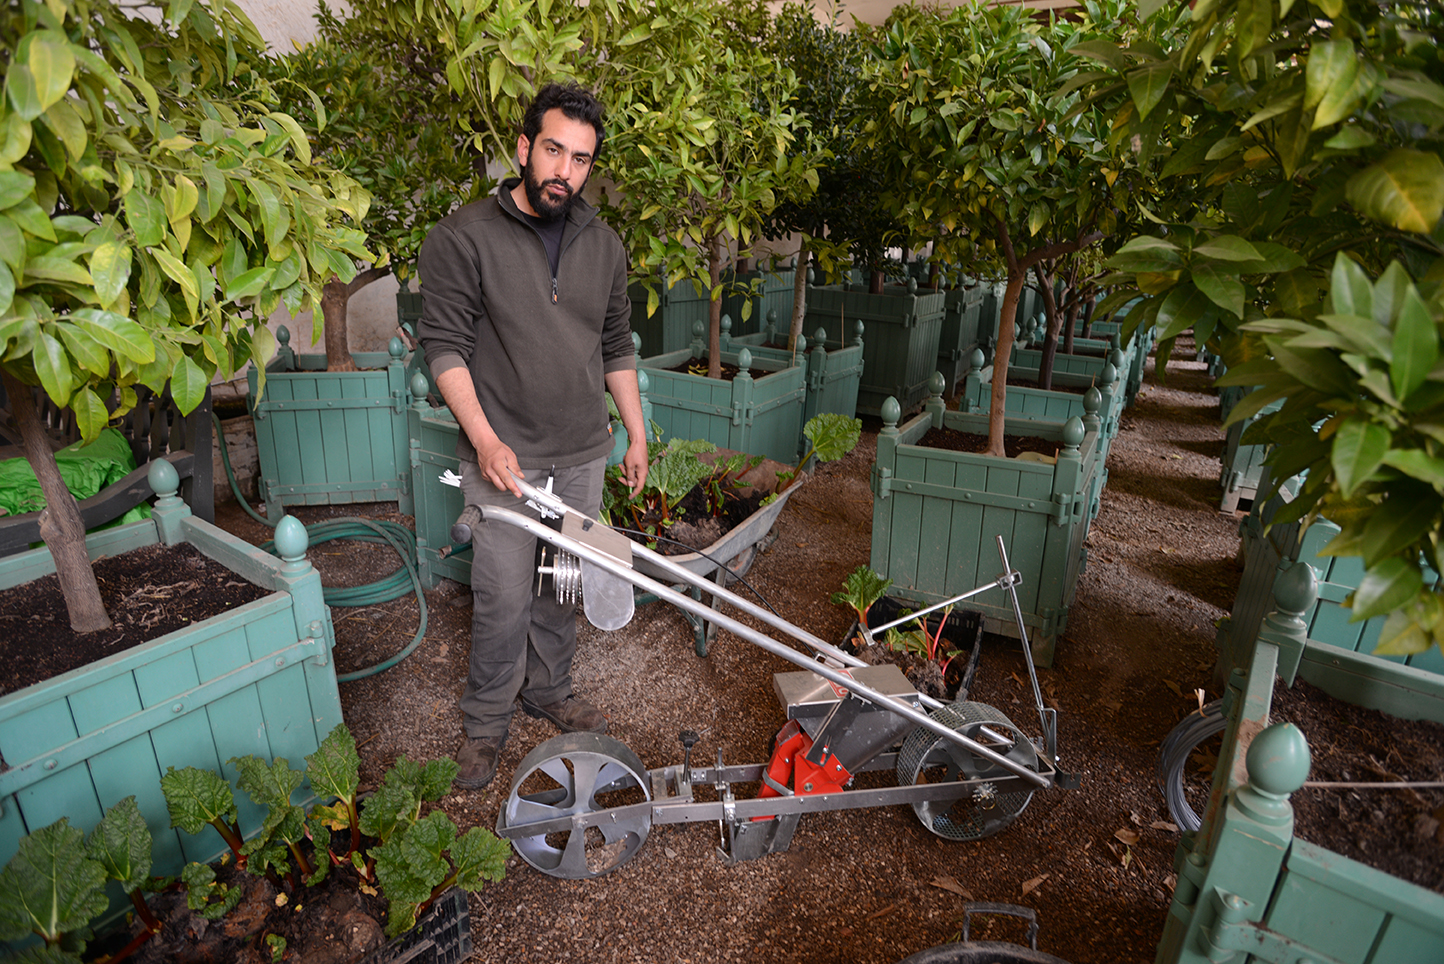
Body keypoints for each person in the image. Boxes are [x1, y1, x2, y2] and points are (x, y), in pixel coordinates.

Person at [417, 82, 648, 790]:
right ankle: (486, 722)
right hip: (505, 458)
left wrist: (635, 435)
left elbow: (616, 344)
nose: (564, 172)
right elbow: (444, 347)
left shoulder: (604, 245)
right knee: (502, 592)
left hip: (581, 453)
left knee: (562, 583)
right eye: (553, 150)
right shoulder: (463, 237)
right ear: (523, 148)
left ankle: (549, 689)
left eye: (581, 160)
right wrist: (485, 441)